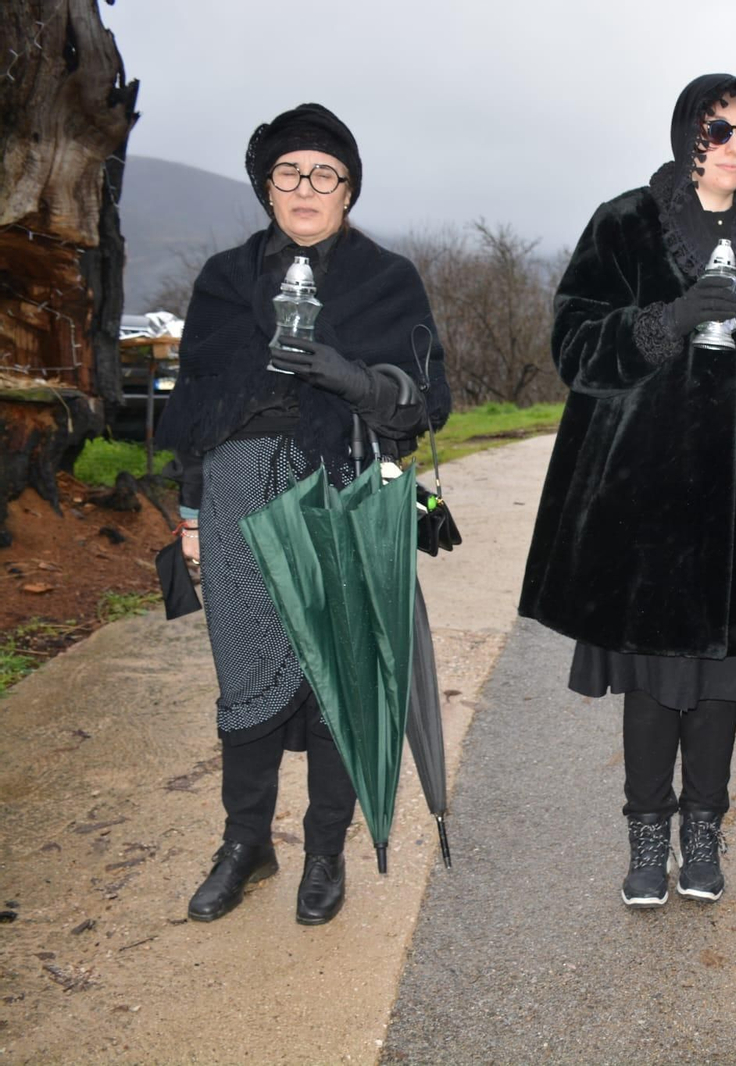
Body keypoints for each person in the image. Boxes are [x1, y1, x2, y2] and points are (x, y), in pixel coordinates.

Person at [518, 74, 736, 909]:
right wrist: (667, 320)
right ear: (685, 135)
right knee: (654, 683)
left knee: (722, 684)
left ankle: (703, 834)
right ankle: (646, 834)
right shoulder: (626, 224)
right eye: (717, 130)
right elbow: (574, 342)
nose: (733, 147)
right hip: (645, 499)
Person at [156, 103, 450, 925]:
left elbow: (421, 402)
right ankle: (245, 844)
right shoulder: (223, 278)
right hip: (239, 495)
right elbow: (195, 411)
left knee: (339, 676)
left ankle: (325, 853)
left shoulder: (387, 279)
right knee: (244, 677)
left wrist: (343, 374)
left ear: (349, 190)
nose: (306, 187)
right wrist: (189, 516)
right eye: (289, 172)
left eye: (325, 173)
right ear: (267, 187)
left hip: (345, 490)